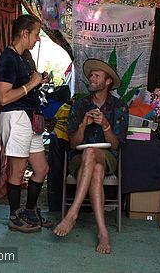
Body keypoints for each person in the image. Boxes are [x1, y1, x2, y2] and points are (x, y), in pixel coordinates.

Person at [53, 58, 129, 254]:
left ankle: (72, 214)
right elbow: (72, 144)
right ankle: (103, 233)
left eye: (97, 76)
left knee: (93, 154)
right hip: (80, 157)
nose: (91, 79)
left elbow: (115, 144)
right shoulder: (80, 105)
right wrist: (82, 126)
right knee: (95, 168)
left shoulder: (119, 106)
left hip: (108, 156)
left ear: (108, 82)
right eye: (91, 76)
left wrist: (105, 125)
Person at [0, 14, 54, 233]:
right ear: (25, 33)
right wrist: (31, 84)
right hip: (15, 116)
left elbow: (26, 87)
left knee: (41, 168)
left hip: (29, 117)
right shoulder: (8, 59)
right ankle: (14, 216)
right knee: (18, 171)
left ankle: (29, 211)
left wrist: (38, 81)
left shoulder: (22, 57)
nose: (38, 39)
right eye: (37, 34)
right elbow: (3, 97)